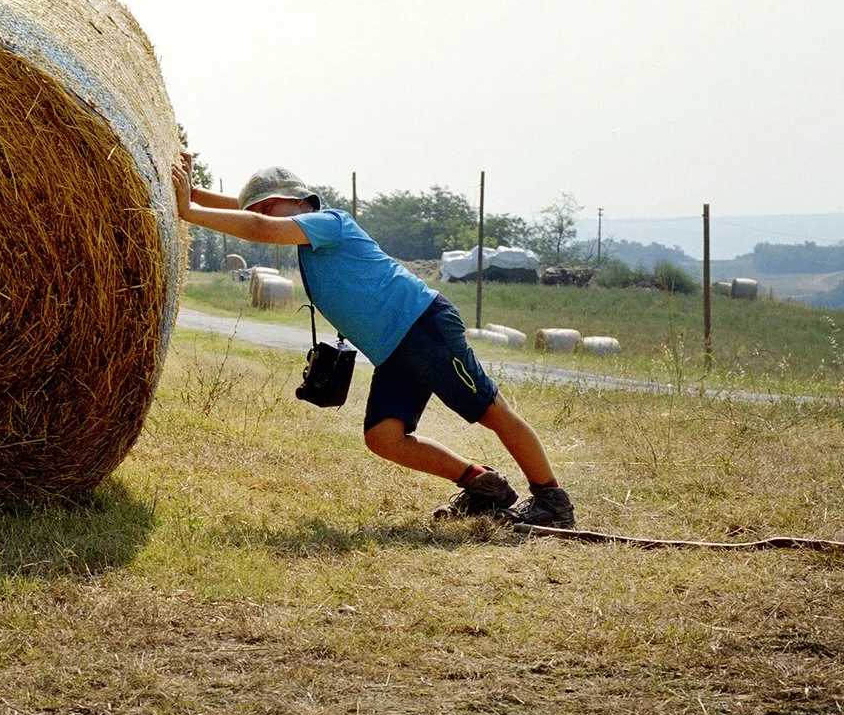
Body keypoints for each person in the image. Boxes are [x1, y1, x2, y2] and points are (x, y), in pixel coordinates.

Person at [172, 161, 575, 528]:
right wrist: (191, 192)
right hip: (393, 351)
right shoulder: (303, 229)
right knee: (384, 437)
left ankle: (551, 500)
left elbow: (258, 226)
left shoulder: (328, 222)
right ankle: (484, 486)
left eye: (264, 207)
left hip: (423, 327)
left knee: (491, 411)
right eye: (254, 210)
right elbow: (252, 215)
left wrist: (189, 212)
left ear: (297, 200)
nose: (257, 218)